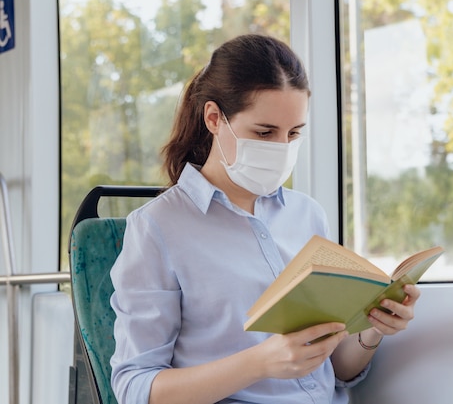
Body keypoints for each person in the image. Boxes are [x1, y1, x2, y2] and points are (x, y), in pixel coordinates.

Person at [109, 33, 421, 404]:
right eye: (264, 132)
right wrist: (258, 363)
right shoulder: (158, 227)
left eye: (293, 133)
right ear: (214, 118)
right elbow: (134, 388)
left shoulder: (308, 215)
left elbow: (336, 370)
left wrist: (372, 331)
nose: (281, 148)